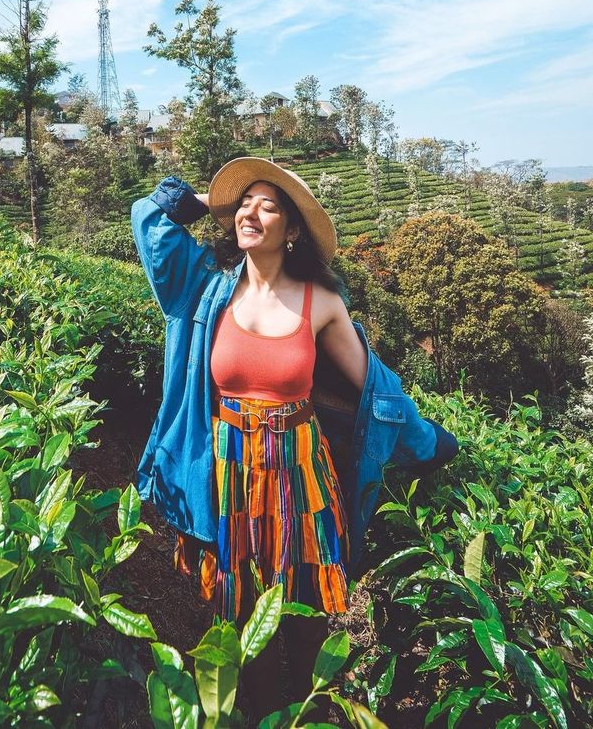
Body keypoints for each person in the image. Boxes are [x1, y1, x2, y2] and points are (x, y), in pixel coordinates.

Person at [131, 157, 459, 720]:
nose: (250, 212)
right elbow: (148, 222)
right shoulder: (205, 290)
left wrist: (429, 442)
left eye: (269, 205)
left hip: (298, 464)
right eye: (244, 203)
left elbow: (375, 389)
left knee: (305, 613)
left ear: (293, 229)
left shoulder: (321, 303)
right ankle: (260, 713)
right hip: (229, 465)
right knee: (242, 614)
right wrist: (197, 204)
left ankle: (307, 711)